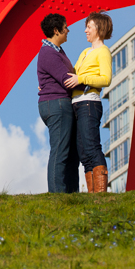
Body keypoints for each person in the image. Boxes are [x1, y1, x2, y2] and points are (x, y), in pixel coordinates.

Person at [37, 13, 80, 193]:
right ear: (56, 30)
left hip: (58, 103)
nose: (68, 30)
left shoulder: (56, 51)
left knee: (71, 153)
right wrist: (90, 80)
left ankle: (70, 193)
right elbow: (66, 79)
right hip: (57, 104)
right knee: (61, 150)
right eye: (65, 27)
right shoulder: (48, 53)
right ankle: (57, 194)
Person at [71, 11, 113, 193]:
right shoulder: (85, 52)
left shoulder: (103, 52)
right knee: (83, 151)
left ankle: (101, 193)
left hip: (89, 103)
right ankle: (92, 194)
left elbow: (106, 79)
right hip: (77, 103)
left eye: (89, 27)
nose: (86, 30)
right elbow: (73, 75)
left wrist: (82, 78)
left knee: (91, 146)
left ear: (99, 29)